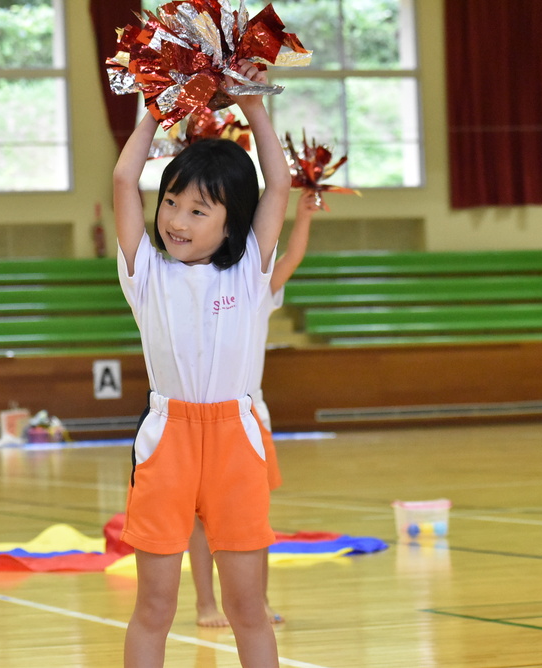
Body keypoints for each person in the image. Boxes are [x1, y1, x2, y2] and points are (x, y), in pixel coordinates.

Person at [114, 60, 289, 668]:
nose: (175, 220)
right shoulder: (145, 271)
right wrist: (156, 106)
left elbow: (279, 184)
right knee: (155, 608)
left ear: (231, 222)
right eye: (171, 202)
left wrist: (251, 103)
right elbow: (121, 178)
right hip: (167, 439)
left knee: (249, 609)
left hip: (236, 439)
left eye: (197, 210)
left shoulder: (249, 269)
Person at [189, 187, 322, 627]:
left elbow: (290, 261)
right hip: (192, 419)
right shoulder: (186, 284)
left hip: (248, 418)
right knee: (200, 521)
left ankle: (259, 601)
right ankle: (206, 603)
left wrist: (302, 217)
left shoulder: (257, 287)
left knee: (253, 518)